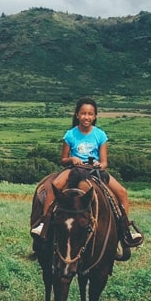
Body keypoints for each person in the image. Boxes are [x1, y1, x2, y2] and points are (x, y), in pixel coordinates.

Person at [31, 97, 143, 248]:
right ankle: (44, 223)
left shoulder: (100, 135)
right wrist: (72, 159)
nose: (87, 117)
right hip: (74, 170)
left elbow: (104, 162)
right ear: (77, 115)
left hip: (95, 171)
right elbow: (63, 160)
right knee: (55, 185)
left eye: (90, 114)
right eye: (83, 113)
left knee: (122, 192)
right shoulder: (70, 135)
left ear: (95, 116)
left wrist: (99, 164)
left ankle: (125, 229)